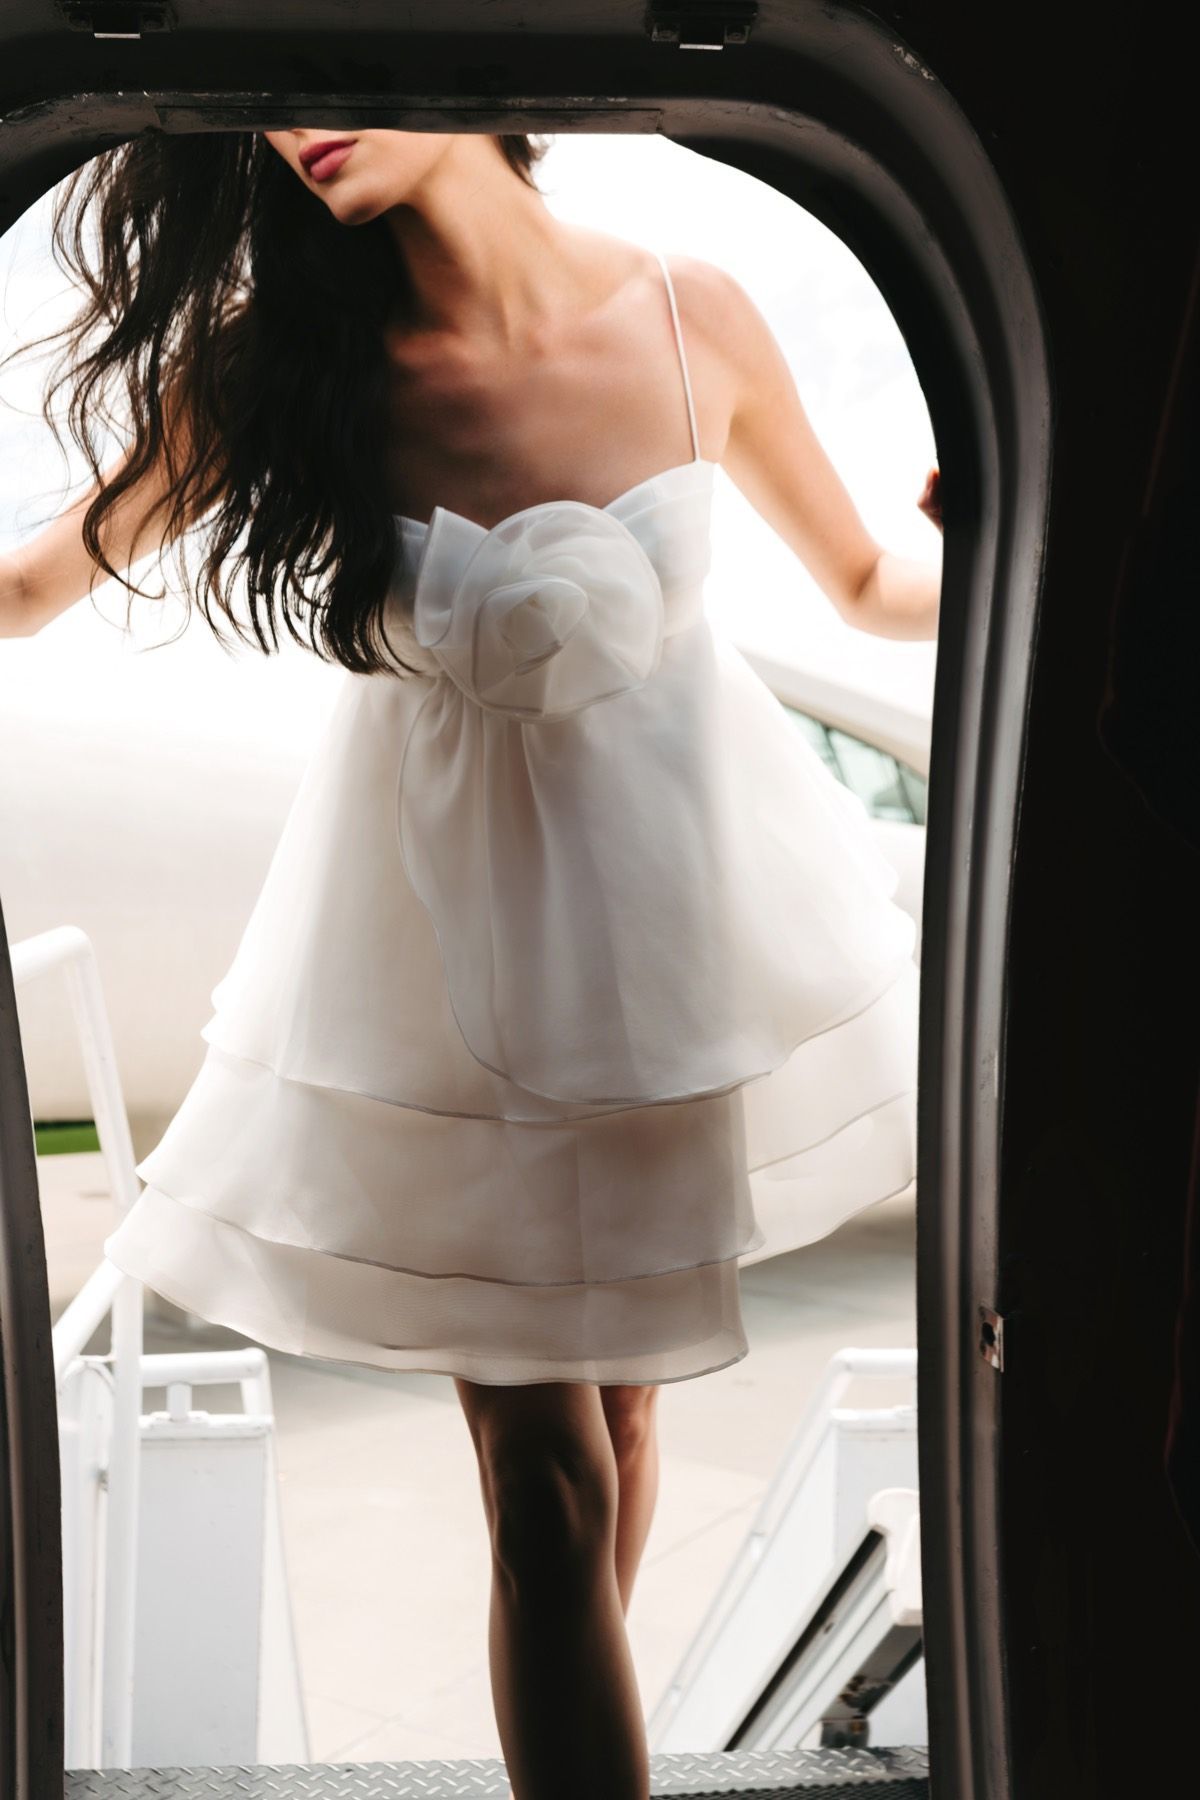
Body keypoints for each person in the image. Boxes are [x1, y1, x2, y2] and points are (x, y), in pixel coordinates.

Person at [0, 127, 942, 1798]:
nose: (303, 123)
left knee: (628, 1434)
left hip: (671, 967)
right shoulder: (286, 370)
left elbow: (871, 585)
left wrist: (1033, 519)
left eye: (342, 71)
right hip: (434, 987)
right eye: (275, 94)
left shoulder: (689, 317)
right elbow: (30, 584)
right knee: (549, 1491)